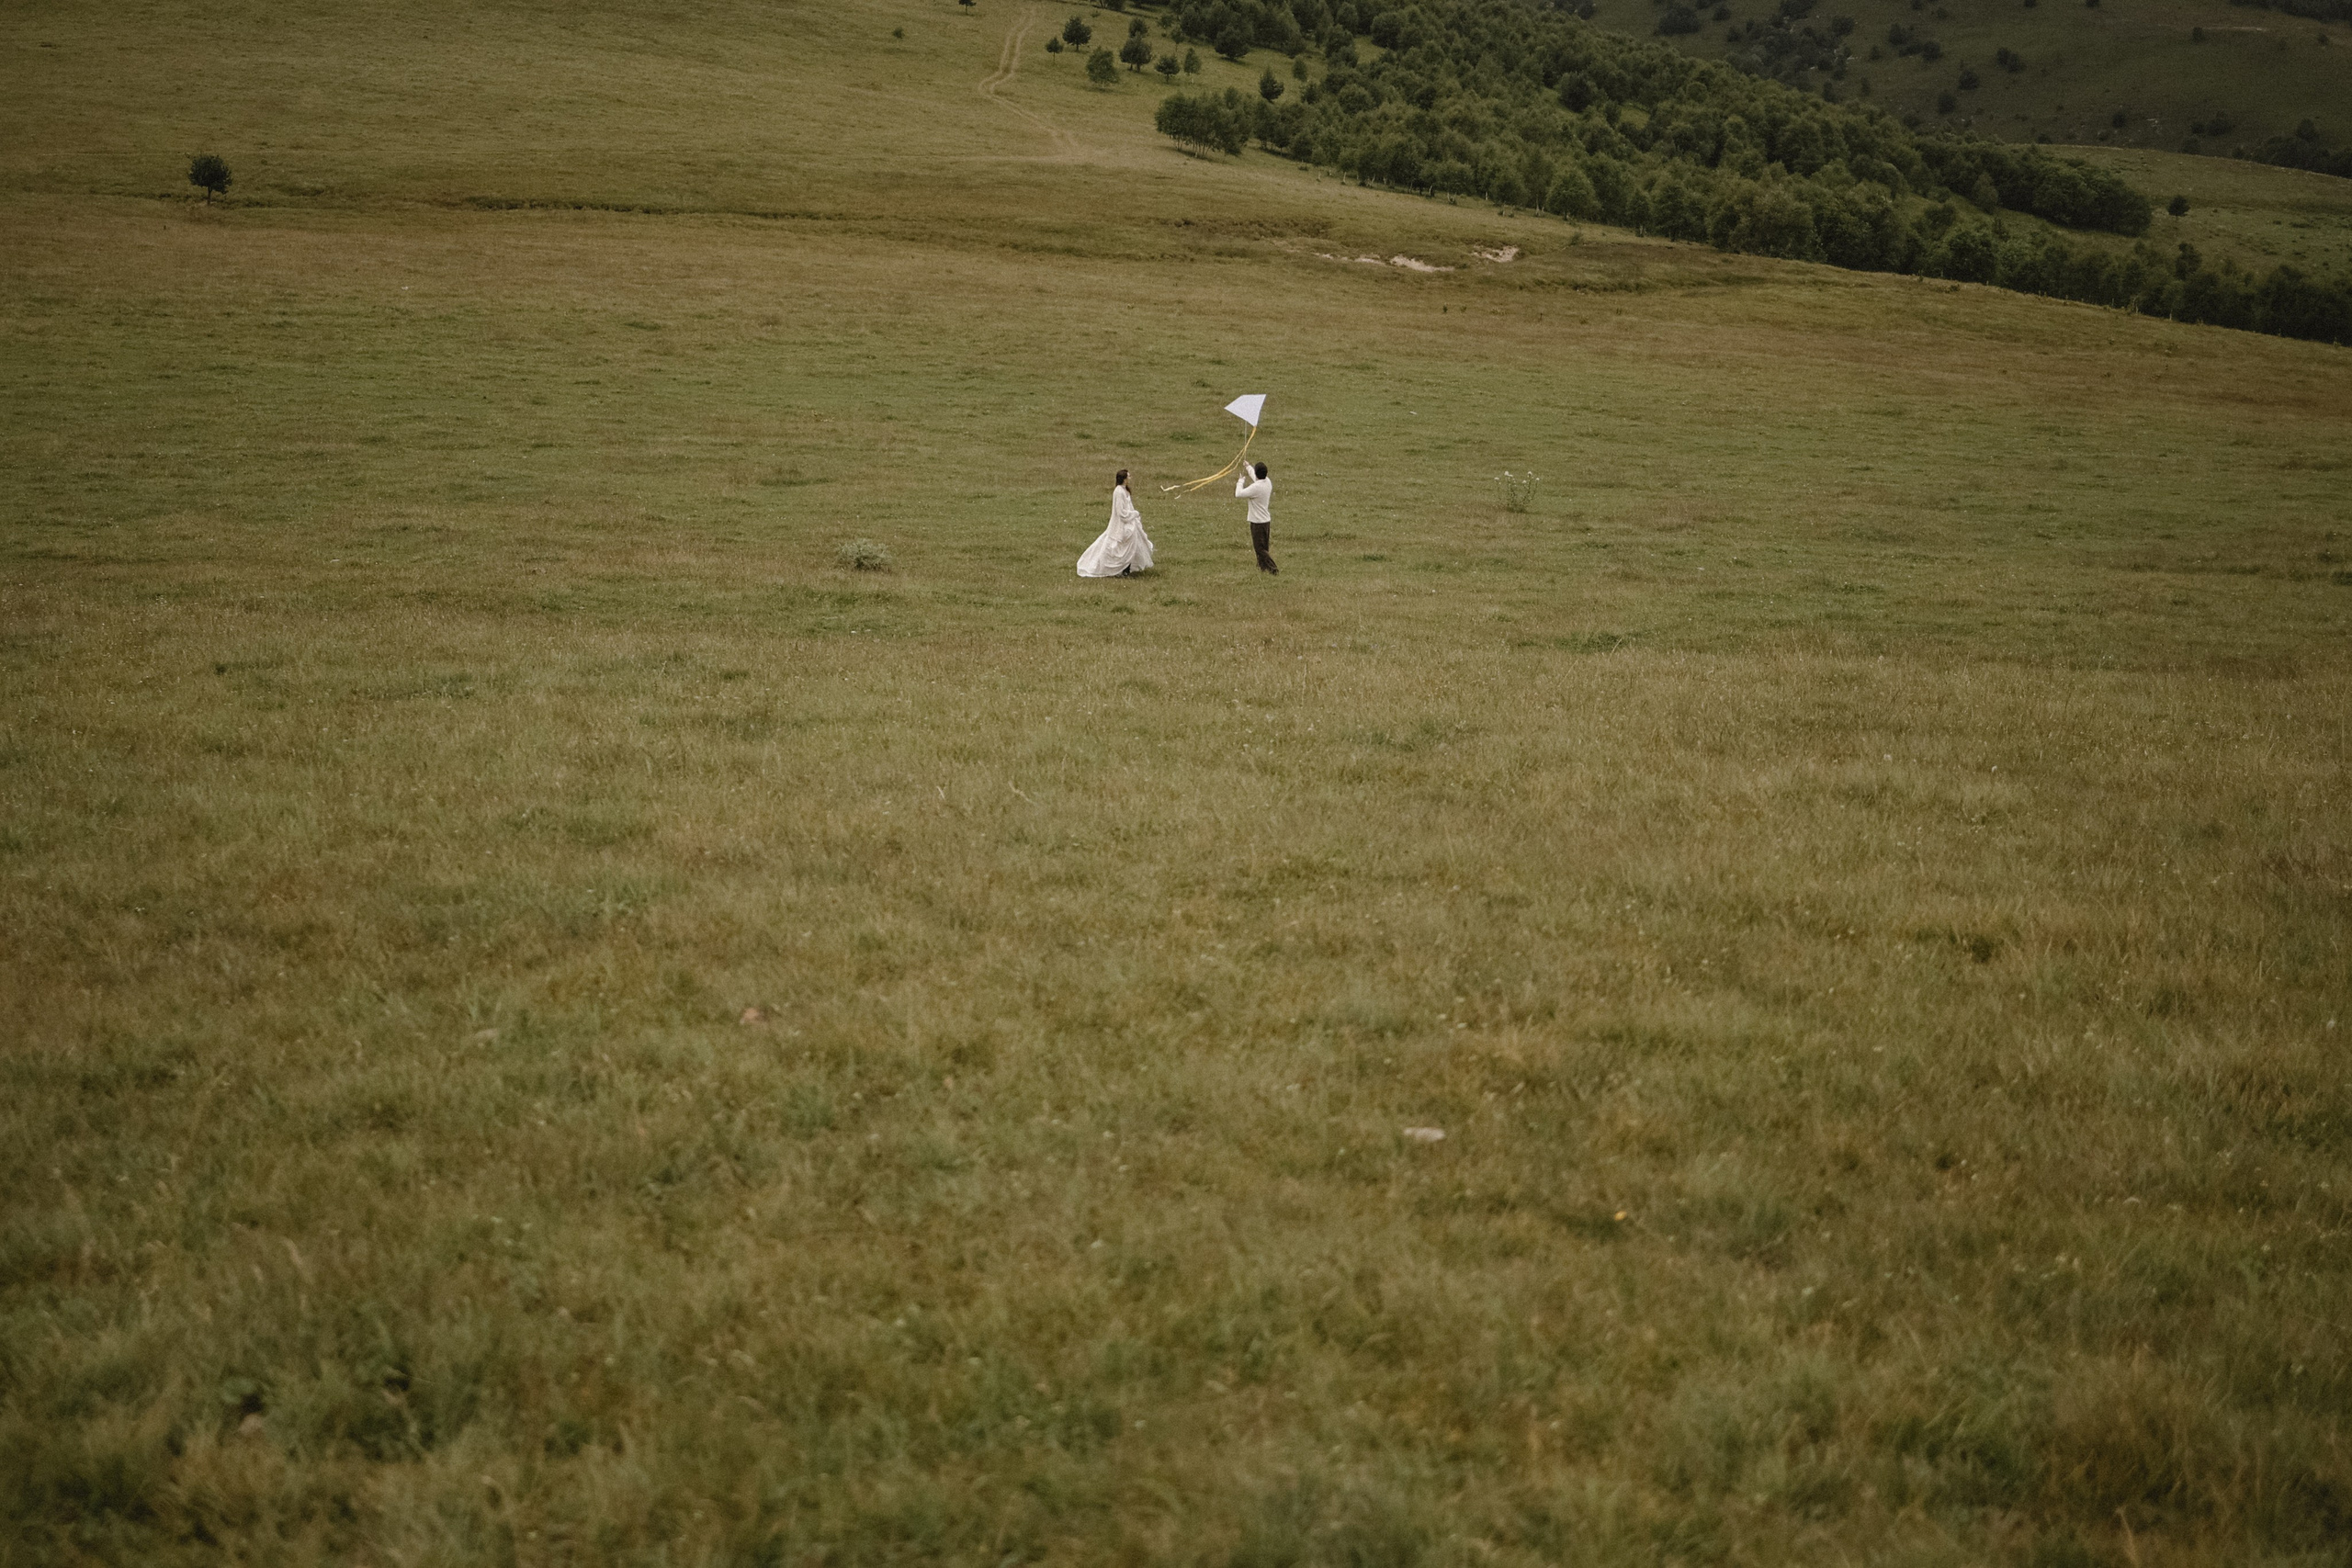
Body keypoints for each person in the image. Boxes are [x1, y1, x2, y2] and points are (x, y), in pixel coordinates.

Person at [1076, 468, 1153, 577]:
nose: (1130, 478)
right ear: (1124, 479)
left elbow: (1128, 506)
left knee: (1133, 544)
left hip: (1130, 522)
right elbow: (1120, 511)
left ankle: (1127, 568)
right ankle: (1112, 567)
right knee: (1119, 545)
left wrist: (1134, 517)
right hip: (1122, 523)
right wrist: (1133, 514)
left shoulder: (1125, 490)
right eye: (1128, 476)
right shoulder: (1118, 491)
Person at [1235, 460, 1275, 574]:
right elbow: (1255, 476)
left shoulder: (1256, 488)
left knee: (1259, 549)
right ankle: (1262, 569)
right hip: (1266, 521)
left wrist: (1240, 481)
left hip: (1257, 523)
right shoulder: (1267, 482)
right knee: (1264, 548)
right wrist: (1248, 467)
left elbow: (1238, 494)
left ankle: (1273, 569)